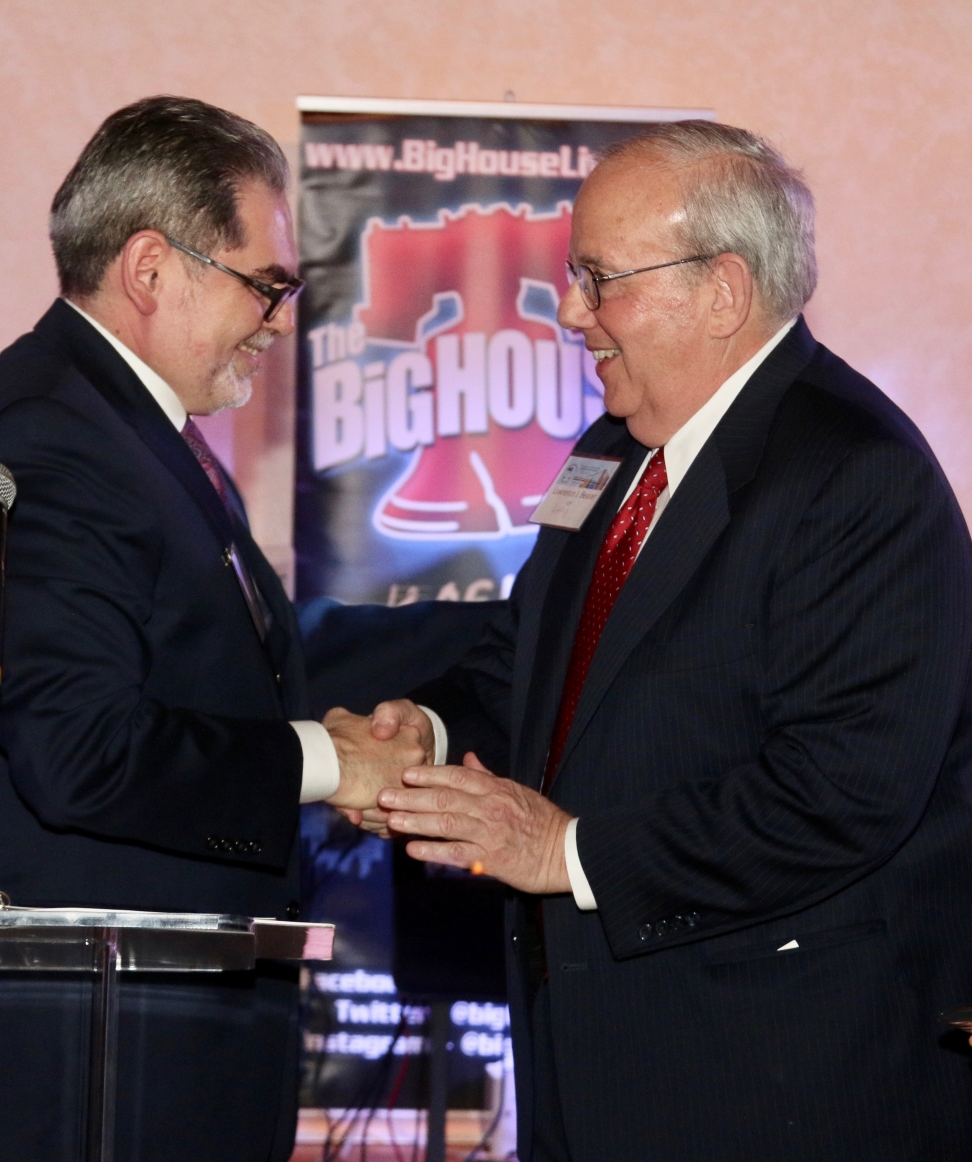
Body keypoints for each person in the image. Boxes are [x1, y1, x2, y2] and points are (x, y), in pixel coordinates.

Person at [366, 122, 972, 1161]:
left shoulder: (856, 475)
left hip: (779, 1079)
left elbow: (841, 793)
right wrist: (418, 736)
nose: (570, 311)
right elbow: (524, 666)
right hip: (594, 1057)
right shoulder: (609, 450)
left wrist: (562, 850)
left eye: (600, 278)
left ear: (722, 291)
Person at [0, 96, 422, 1162]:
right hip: (82, 1056)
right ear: (152, 269)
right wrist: (335, 764)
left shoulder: (123, 427)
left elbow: (238, 660)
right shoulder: (59, 440)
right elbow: (79, 751)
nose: (279, 319)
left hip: (135, 1036)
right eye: (266, 283)